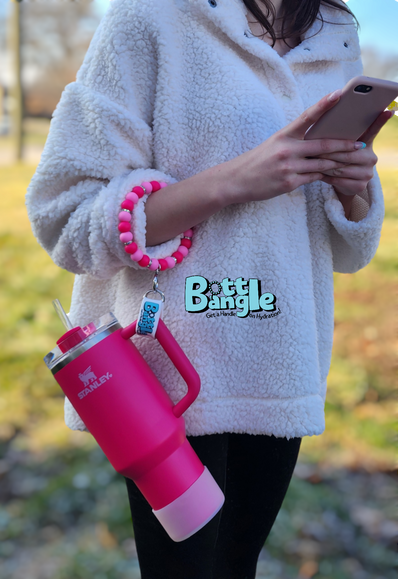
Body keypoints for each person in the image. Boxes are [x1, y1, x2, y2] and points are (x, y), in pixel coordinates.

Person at [26, 0, 392, 577]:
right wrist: (236, 180)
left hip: (278, 364)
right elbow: (65, 218)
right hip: (167, 383)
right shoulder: (149, 17)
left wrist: (354, 188)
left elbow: (350, 251)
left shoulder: (331, 29)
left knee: (237, 566)